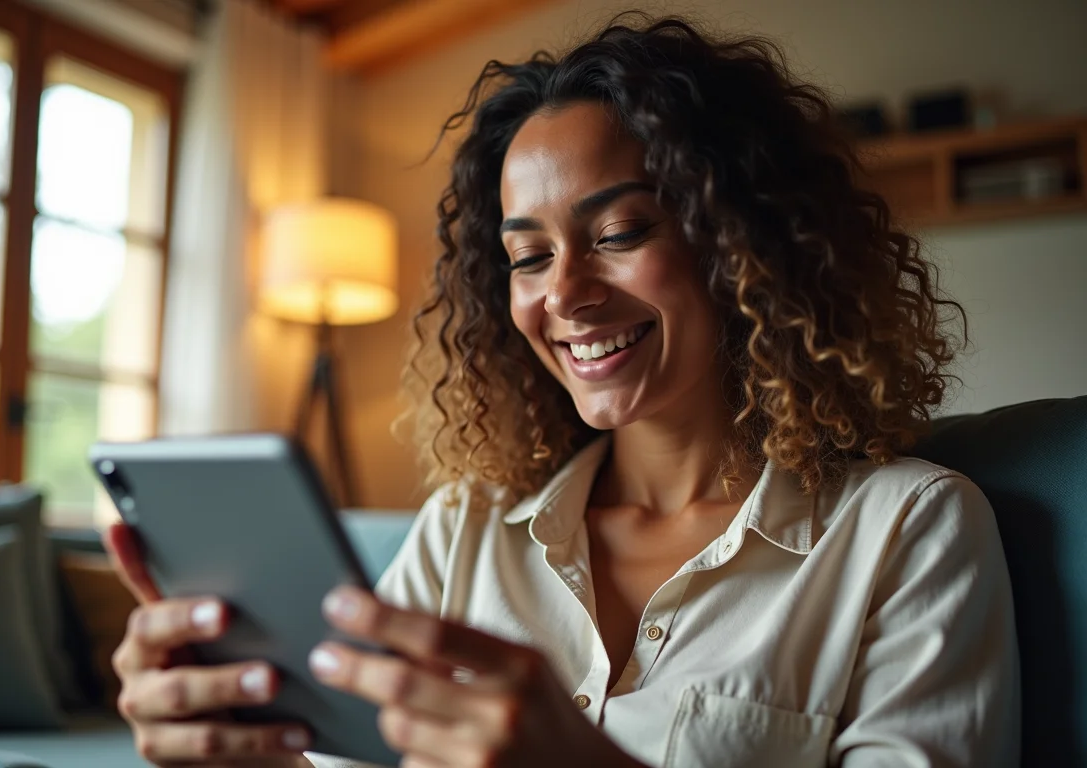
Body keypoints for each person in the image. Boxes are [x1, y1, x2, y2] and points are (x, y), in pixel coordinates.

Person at [105, 14, 1019, 768]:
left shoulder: (909, 528)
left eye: (619, 232)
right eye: (529, 257)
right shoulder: (465, 532)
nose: (565, 296)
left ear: (743, 244)